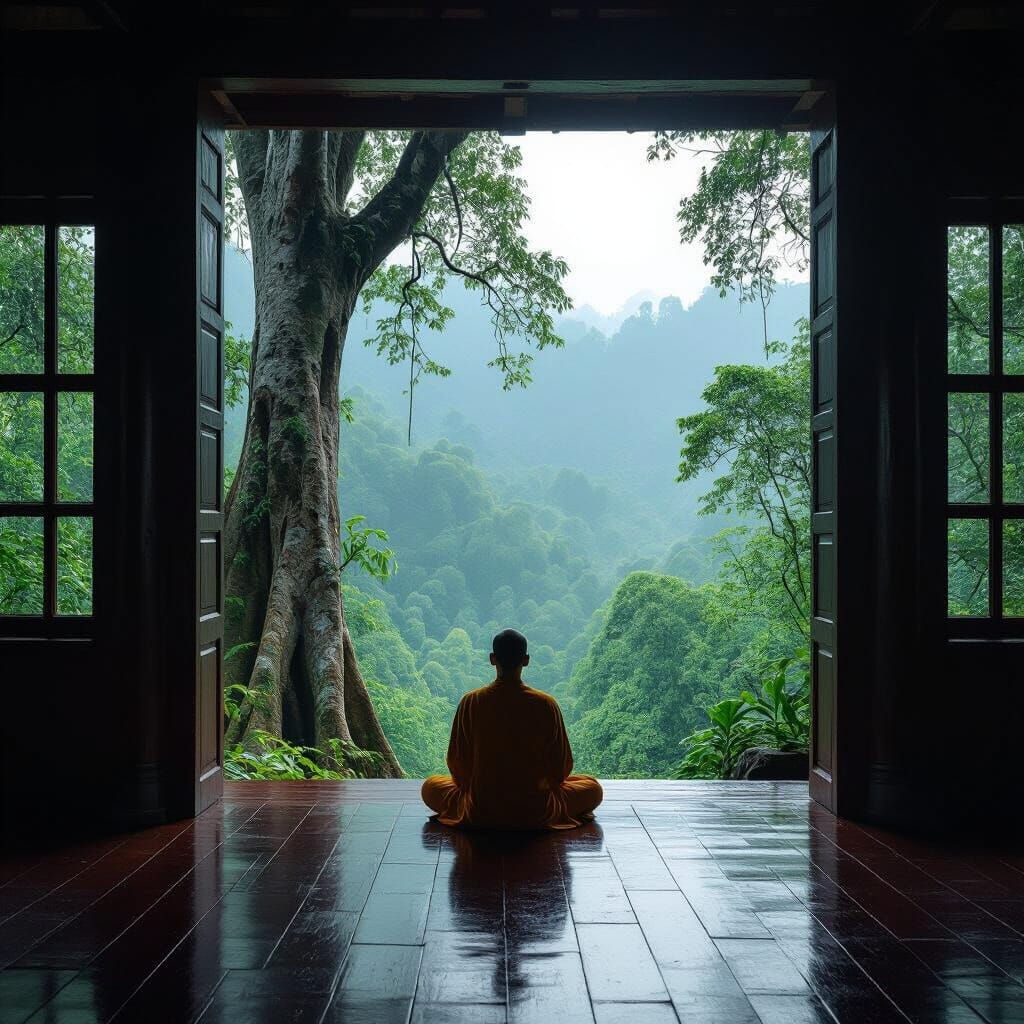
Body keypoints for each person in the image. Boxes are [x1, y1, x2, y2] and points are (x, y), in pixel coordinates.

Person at [422, 628, 603, 830]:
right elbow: (561, 766)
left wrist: (477, 789)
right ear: (526, 660)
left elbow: (457, 763)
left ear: (492, 659)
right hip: (536, 810)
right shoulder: (545, 704)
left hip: (480, 809)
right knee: (592, 788)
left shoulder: (471, 702)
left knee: (430, 787)